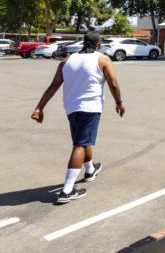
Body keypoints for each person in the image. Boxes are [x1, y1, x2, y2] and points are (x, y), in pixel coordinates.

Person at [31, 31, 125, 204]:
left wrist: (39, 107)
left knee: (83, 140)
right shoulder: (102, 59)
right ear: (98, 44)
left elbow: (54, 85)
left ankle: (89, 170)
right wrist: (119, 103)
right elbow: (113, 83)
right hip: (90, 107)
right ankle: (67, 191)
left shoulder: (67, 61)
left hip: (71, 107)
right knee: (80, 144)